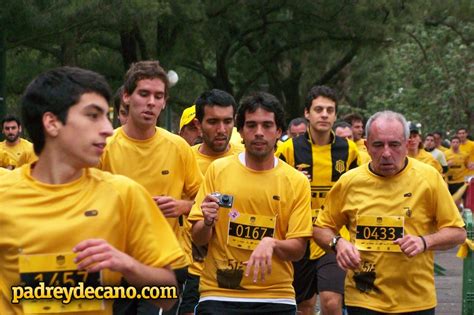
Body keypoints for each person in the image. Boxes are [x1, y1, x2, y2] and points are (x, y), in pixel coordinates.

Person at [0, 66, 184, 314]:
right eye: (93, 116)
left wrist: (126, 264)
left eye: (107, 116)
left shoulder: (124, 194)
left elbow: (168, 296)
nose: (108, 129)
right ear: (52, 122)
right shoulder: (4, 194)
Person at [314, 110, 466, 314]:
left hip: (416, 300)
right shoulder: (350, 182)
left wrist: (424, 242)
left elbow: (458, 232)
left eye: (394, 145)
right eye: (378, 145)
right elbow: (321, 228)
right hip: (363, 297)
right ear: (367, 146)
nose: (386, 153)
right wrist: (337, 243)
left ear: (407, 144)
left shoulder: (429, 178)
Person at [188, 91, 312, 314]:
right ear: (241, 131)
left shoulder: (296, 182)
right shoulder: (218, 171)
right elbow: (198, 238)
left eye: (267, 125)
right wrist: (206, 222)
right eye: (251, 125)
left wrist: (272, 243)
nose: (259, 133)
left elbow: (298, 250)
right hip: (219, 292)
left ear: (279, 132)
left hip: (275, 296)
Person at [99, 61, 203, 314]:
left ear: (165, 102)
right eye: (143, 94)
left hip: (163, 263)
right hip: (115, 264)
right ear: (126, 96)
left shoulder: (178, 147)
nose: (151, 102)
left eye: (158, 96)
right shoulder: (105, 146)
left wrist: (183, 206)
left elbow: (204, 197)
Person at [276, 86, 359, 315]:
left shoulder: (349, 150)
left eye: (330, 110)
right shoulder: (288, 149)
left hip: (333, 237)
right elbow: (271, 185)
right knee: (304, 307)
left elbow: (360, 190)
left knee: (331, 301)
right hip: (299, 237)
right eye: (319, 109)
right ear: (307, 113)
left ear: (335, 115)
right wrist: (293, 181)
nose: (324, 114)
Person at [179, 89, 243, 315]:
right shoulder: (184, 158)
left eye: (228, 122)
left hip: (237, 269)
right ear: (198, 124)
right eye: (213, 122)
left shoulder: (246, 158)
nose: (222, 130)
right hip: (193, 269)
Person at [445, 136, 471, 205]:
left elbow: (467, 165)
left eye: (457, 142)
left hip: (461, 181)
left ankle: (462, 214)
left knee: (461, 201)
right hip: (449, 182)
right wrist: (447, 164)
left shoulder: (465, 154)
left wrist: (471, 165)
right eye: (453, 142)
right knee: (451, 202)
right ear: (450, 143)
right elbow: (441, 168)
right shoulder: (445, 154)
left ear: (460, 143)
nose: (455, 144)